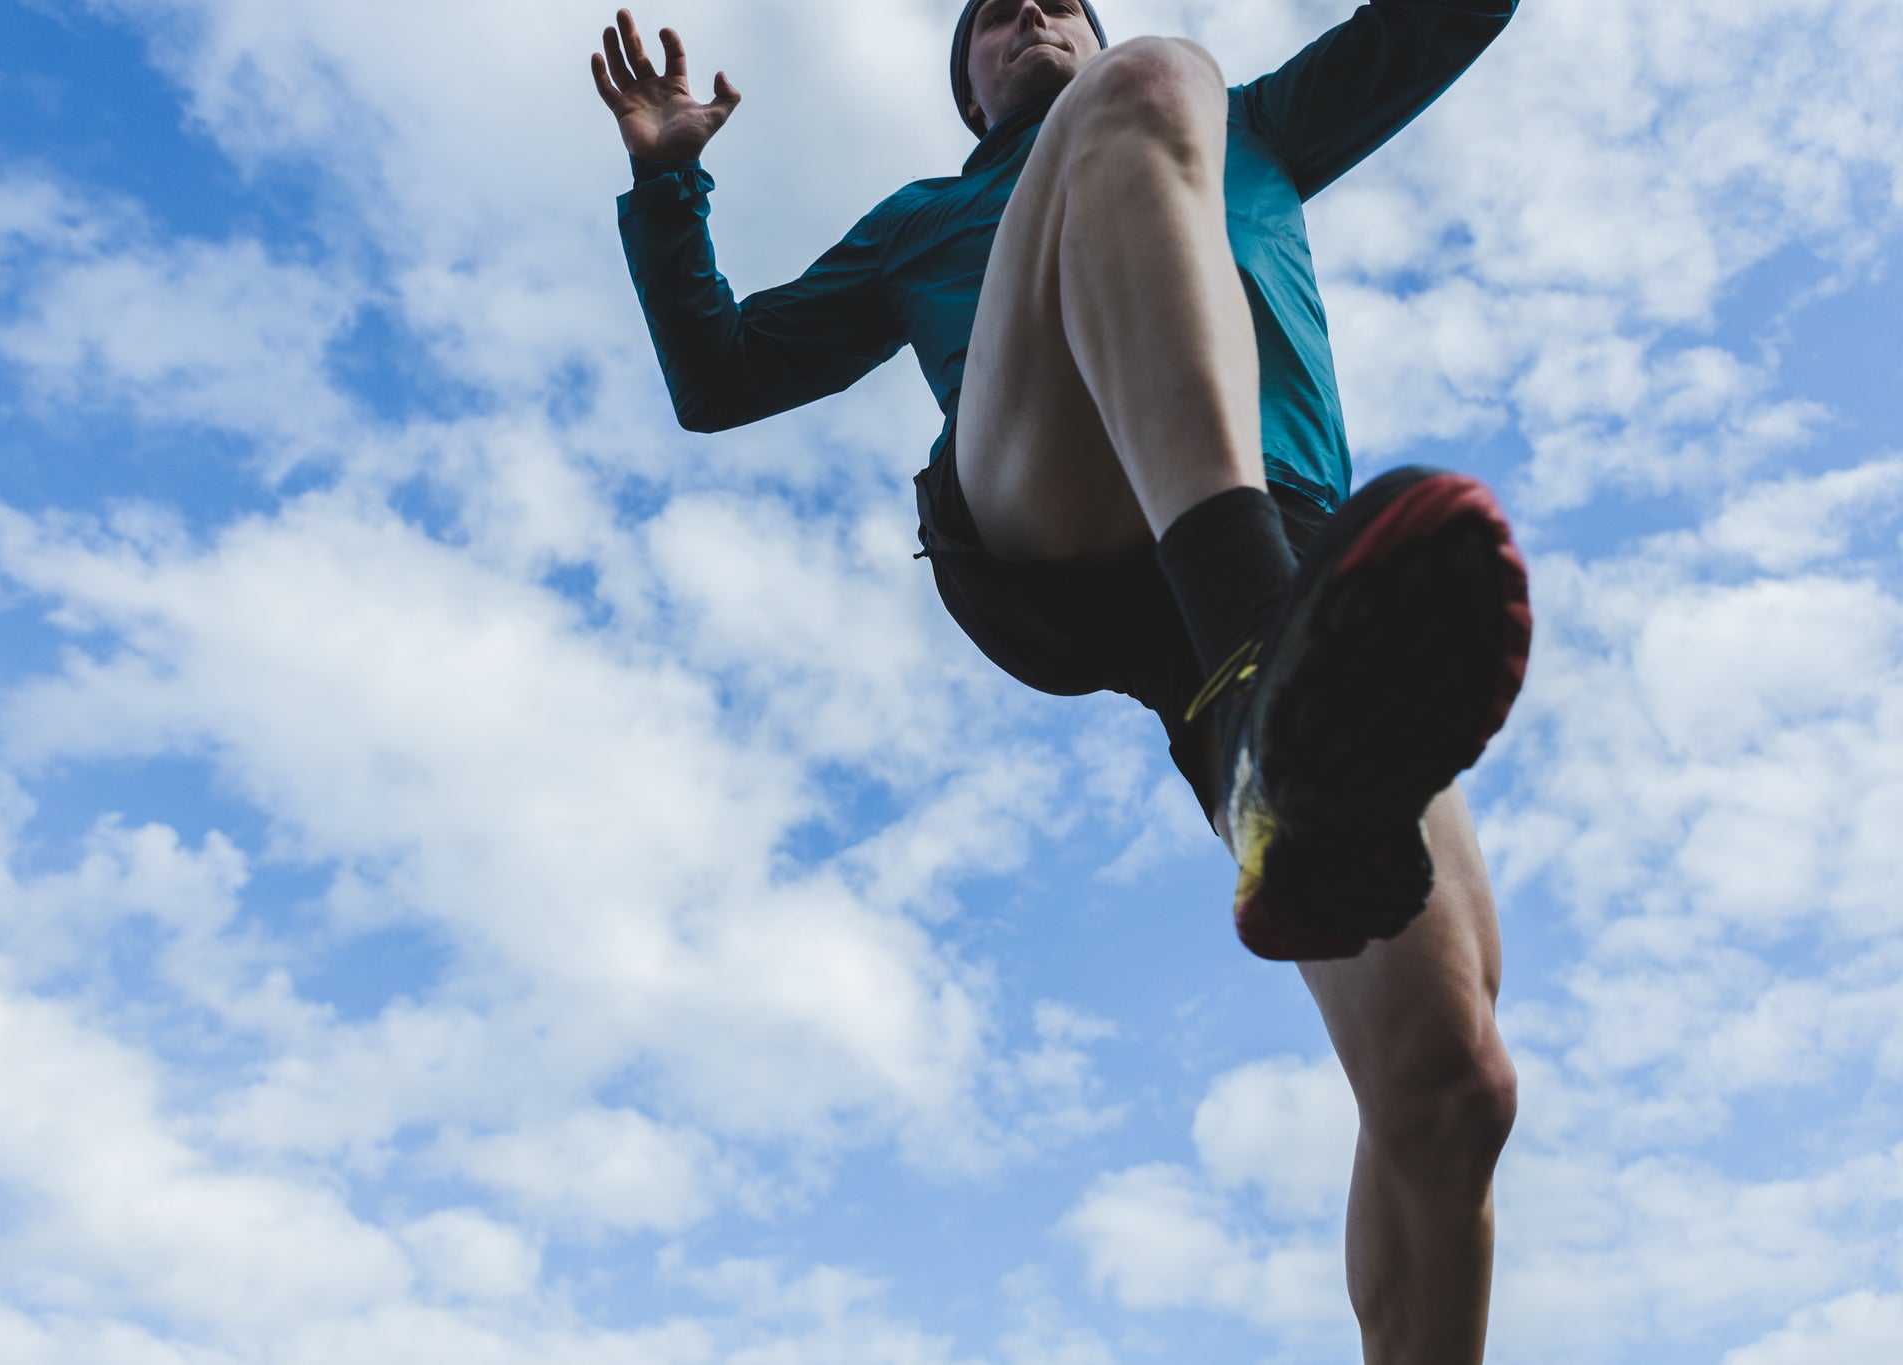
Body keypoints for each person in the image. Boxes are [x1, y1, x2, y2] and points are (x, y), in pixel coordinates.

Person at [595, 3, 1527, 1359]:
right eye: (987, 18)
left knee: (1453, 1091)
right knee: (1149, 94)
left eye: (1055, 3)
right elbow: (719, 375)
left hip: (1290, 595)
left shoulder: (1258, 133)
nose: (1025, 14)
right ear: (971, 94)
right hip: (1052, 518)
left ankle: (1279, 731)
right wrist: (669, 175)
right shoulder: (926, 219)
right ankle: (1263, 671)